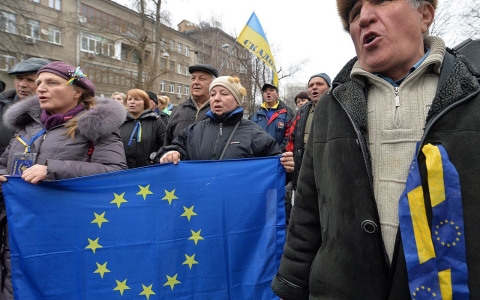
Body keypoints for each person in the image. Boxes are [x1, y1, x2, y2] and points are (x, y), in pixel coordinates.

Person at [272, 0, 480, 299]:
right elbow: (308, 208)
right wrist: (292, 285)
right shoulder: (333, 106)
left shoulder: (471, 93)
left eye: (381, 1)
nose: (365, 17)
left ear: (425, 14)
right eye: (355, 13)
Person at [0, 61, 127, 299]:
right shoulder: (28, 125)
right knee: (15, 283)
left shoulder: (96, 126)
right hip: (18, 225)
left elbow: (115, 171)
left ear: (77, 91)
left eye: (51, 83)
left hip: (65, 229)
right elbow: (6, 161)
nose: (40, 89)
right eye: (38, 83)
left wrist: (52, 170)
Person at [154, 76, 294, 174]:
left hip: (237, 206)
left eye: (224, 93)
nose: (217, 99)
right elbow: (171, 149)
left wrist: (286, 166)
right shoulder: (193, 131)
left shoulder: (254, 132)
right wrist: (169, 154)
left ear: (238, 101)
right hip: (198, 206)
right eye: (213, 94)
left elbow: (275, 167)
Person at [0, 58, 50, 155]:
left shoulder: (55, 111)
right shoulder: (2, 104)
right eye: (19, 78)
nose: (22, 84)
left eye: (30, 80)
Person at [164, 64, 218, 146]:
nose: (196, 82)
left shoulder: (219, 110)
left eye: (202, 78)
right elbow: (167, 144)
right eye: (193, 78)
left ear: (213, 83)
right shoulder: (178, 110)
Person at [120, 89, 166, 169]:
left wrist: (154, 158)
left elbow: (165, 145)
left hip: (148, 171)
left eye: (137, 99)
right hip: (123, 171)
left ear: (145, 103)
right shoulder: (119, 122)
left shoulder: (156, 122)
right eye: (129, 99)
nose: (132, 102)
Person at [248, 83, 294, 149]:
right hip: (259, 156)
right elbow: (249, 135)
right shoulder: (255, 115)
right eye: (265, 91)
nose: (268, 93)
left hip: (278, 156)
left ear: (277, 95)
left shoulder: (287, 113)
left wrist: (279, 151)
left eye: (271, 90)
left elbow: (290, 135)